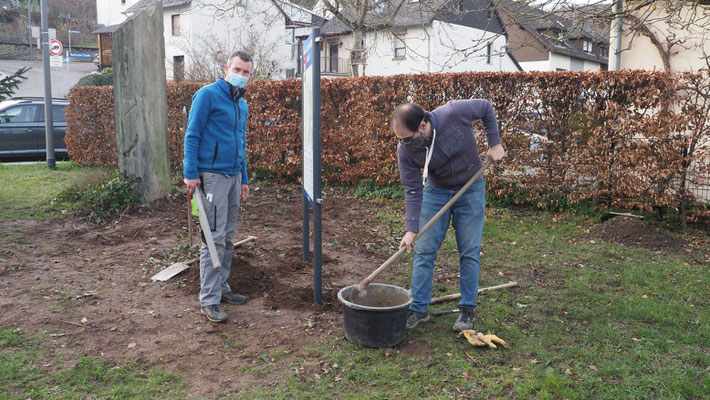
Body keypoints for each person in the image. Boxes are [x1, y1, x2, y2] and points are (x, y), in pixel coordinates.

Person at [391, 100, 505, 331]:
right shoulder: (405, 150)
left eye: (406, 138)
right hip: (436, 191)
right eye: (398, 138)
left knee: (469, 251)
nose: (403, 144)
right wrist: (411, 229)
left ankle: (467, 310)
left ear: (423, 125)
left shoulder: (453, 113)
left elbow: (485, 108)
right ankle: (419, 308)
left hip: (471, 188)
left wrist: (495, 143)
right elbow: (413, 190)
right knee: (423, 250)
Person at [183, 50, 253, 323]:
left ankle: (222, 288)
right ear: (226, 68)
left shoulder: (242, 105)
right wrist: (191, 174)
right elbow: (192, 134)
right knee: (212, 238)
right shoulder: (207, 95)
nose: (241, 76)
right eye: (237, 70)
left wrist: (244, 178)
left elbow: (241, 143)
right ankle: (209, 300)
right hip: (211, 176)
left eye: (246, 72)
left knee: (227, 236)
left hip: (234, 176)